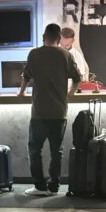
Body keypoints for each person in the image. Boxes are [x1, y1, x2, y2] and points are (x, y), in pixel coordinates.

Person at [18, 23, 81, 196]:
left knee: (35, 149)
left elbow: (26, 76)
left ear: (44, 36)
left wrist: (21, 92)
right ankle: (54, 187)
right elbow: (78, 78)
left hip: (39, 113)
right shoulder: (66, 55)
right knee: (56, 151)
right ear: (59, 38)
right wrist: (70, 94)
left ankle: (40, 186)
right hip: (59, 112)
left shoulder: (34, 54)